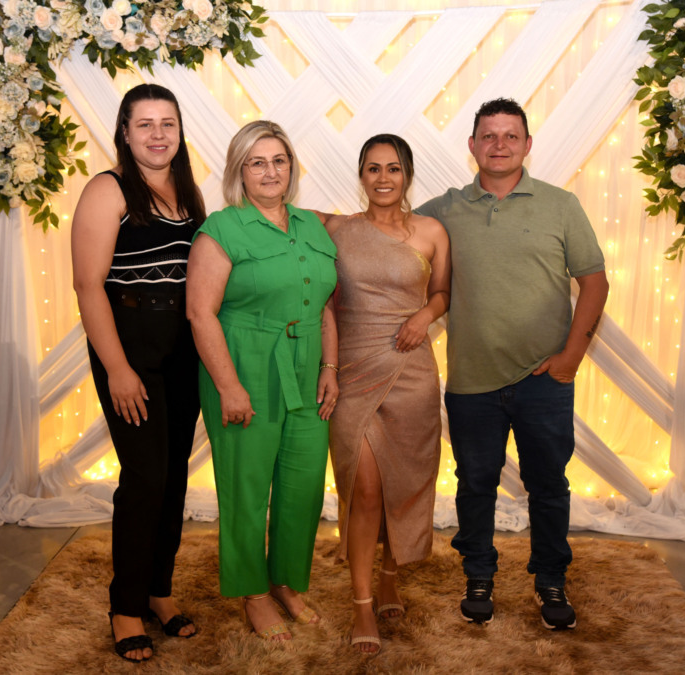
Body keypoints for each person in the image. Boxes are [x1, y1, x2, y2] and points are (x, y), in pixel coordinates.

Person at [416, 98, 609, 630]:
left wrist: (570, 358)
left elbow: (594, 283)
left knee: (548, 486)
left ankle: (550, 579)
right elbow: (386, 228)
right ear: (472, 145)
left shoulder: (561, 205)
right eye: (488, 135)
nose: (499, 144)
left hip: (544, 379)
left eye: (510, 136)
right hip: (471, 381)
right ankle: (478, 574)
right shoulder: (444, 210)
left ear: (527, 144)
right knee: (474, 484)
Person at [185, 120, 339, 642]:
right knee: (246, 487)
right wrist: (229, 386)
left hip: (307, 368)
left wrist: (331, 368)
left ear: (291, 167)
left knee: (303, 486)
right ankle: (252, 592)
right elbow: (200, 314)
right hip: (245, 365)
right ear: (239, 172)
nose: (270, 172)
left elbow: (324, 305)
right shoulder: (222, 230)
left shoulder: (313, 226)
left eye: (279, 160)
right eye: (257, 162)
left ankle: (286, 582)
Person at [71, 84, 206, 662]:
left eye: (167, 123)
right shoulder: (109, 189)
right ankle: (124, 605)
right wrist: (118, 370)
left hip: (183, 348)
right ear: (124, 133)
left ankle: (158, 591)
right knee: (145, 477)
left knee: (173, 476)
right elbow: (88, 286)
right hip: (129, 345)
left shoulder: (188, 191)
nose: (157, 134)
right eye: (144, 124)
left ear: (179, 131)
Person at [322, 134, 449, 653]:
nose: (383, 178)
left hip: (411, 369)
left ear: (407, 175)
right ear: (361, 175)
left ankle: (391, 576)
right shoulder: (337, 229)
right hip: (352, 373)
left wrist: (424, 315)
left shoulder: (432, 231)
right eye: (372, 168)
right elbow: (275, 209)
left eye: (393, 168)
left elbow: (442, 292)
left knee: (402, 484)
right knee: (365, 489)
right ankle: (361, 603)